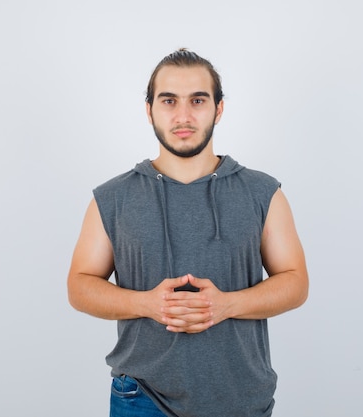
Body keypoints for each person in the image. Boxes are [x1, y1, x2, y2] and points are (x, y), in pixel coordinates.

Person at [67, 48, 309, 417]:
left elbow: (295, 282)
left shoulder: (263, 192)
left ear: (219, 108)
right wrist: (147, 304)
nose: (183, 116)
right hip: (142, 398)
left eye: (198, 100)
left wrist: (227, 305)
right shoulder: (112, 197)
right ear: (149, 110)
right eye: (169, 101)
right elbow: (79, 286)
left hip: (241, 399)